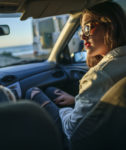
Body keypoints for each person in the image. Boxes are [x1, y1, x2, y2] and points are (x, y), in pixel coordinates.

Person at [26, 1, 126, 140]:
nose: (82, 36)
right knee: (51, 91)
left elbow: (72, 130)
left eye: (87, 28)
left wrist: (65, 110)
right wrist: (75, 100)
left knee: (32, 92)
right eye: (81, 31)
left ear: (110, 25)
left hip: (86, 141)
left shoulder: (100, 75)